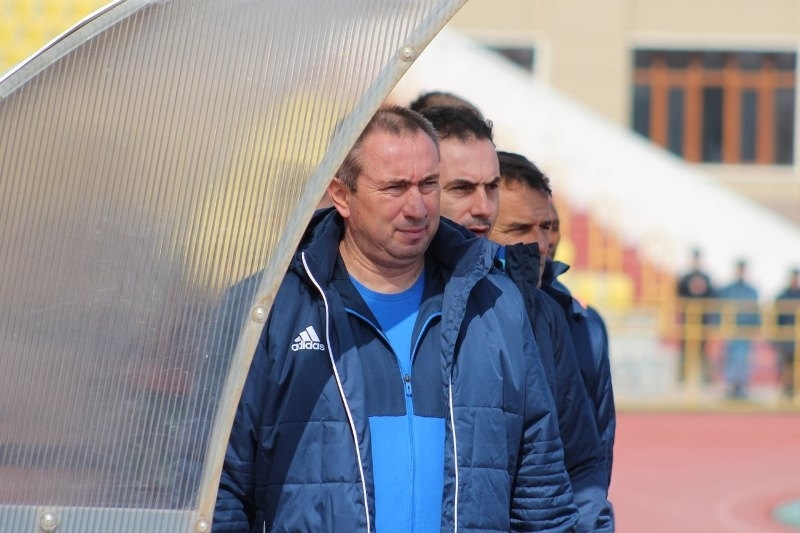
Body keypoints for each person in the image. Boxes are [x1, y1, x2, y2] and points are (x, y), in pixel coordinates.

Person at [213, 106, 578, 532]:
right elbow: (219, 488)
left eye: (428, 184)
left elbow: (541, 490)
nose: (417, 207)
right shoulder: (268, 311)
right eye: (395, 187)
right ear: (341, 195)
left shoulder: (496, 305)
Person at [418, 105, 610, 532]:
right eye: (463, 188)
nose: (482, 207)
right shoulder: (334, 296)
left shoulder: (532, 311)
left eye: (491, 188)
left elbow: (575, 466)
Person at [538, 175, 616, 496]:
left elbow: (601, 435)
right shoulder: (479, 313)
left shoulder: (586, 323)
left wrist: (593, 506)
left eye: (551, 226)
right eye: (526, 226)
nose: (546, 239)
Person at [717, 259, 760, 399]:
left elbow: (756, 311)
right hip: (731, 330)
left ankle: (741, 387)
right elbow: (718, 307)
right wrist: (718, 326)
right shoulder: (727, 290)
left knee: (744, 359)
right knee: (730, 359)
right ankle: (730, 386)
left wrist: (756, 327)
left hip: (745, 331)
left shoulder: (751, 291)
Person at [676, 248, 716, 384]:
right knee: (685, 350)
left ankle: (705, 379)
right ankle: (682, 377)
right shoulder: (685, 278)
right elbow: (679, 296)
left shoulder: (706, 278)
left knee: (703, 350)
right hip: (688, 321)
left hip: (702, 321)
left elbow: (711, 298)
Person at [774, 267, 800, 399]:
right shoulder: (782, 296)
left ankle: (794, 390)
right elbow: (776, 319)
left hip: (797, 337)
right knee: (785, 365)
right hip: (785, 338)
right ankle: (786, 389)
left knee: (796, 366)